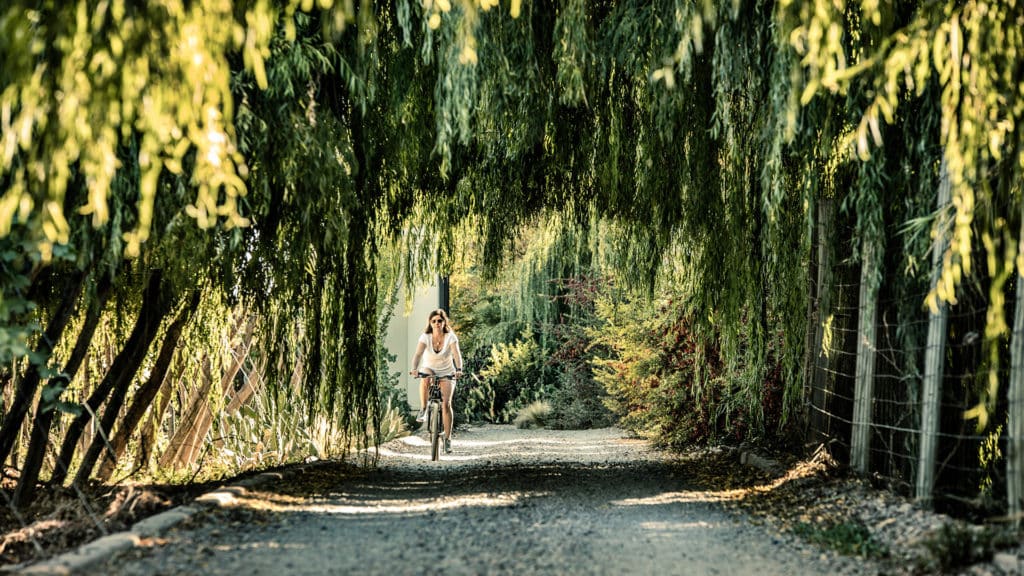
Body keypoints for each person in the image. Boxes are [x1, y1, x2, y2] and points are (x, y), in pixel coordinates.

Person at [409, 308, 464, 453]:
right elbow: (418, 354)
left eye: (440, 320)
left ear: (444, 322)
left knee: (446, 404)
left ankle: (447, 439)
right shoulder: (425, 337)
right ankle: (423, 409)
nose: (437, 323)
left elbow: (457, 355)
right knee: (425, 377)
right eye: (434, 321)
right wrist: (414, 368)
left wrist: (459, 370)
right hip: (430, 368)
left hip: (447, 372)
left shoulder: (450, 337)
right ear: (430, 323)